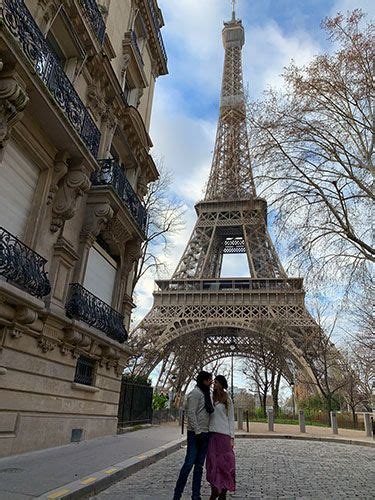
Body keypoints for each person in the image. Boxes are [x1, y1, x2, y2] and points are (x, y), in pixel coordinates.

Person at [173, 371, 214, 500]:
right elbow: (191, 414)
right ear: (203, 381)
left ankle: (196, 495)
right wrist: (198, 432)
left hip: (205, 433)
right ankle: (177, 494)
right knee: (189, 464)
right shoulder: (195, 394)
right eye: (209, 380)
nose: (211, 382)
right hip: (196, 434)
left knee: (199, 466)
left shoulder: (207, 394)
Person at [206, 375, 236, 500]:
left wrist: (232, 437)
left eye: (217, 382)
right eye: (214, 382)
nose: (214, 384)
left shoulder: (227, 399)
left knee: (225, 464)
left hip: (224, 435)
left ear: (222, 384)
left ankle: (223, 491)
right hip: (212, 435)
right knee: (212, 464)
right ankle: (214, 489)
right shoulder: (209, 397)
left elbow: (230, 418)